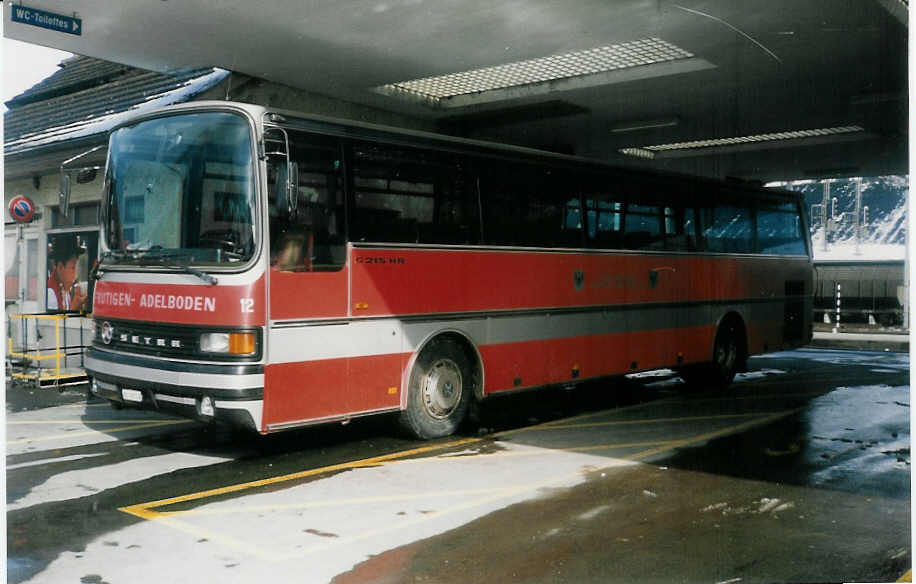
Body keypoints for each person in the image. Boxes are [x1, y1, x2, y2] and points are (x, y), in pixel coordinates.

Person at [47, 239, 87, 312]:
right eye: (73, 268)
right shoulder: (50, 293)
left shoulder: (64, 290)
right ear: (60, 267)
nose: (75, 276)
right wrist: (74, 308)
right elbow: (55, 322)